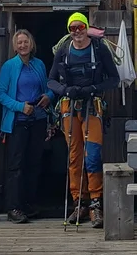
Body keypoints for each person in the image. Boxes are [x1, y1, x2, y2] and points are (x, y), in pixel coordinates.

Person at [47, 12, 119, 228]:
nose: (77, 31)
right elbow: (51, 81)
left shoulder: (99, 50)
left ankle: (96, 204)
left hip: (93, 105)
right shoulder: (63, 50)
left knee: (93, 155)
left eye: (80, 27)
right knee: (74, 155)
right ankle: (79, 201)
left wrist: (93, 89)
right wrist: (65, 90)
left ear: (86, 28)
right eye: (73, 28)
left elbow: (114, 79)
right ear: (69, 31)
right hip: (70, 106)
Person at [0, 29, 51, 223]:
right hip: (17, 122)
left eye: (25, 42)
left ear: (31, 44)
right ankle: (13, 207)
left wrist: (48, 97)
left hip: (37, 120)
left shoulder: (39, 65)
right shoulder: (9, 66)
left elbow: (47, 89)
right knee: (15, 166)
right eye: (19, 43)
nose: (23, 46)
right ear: (14, 46)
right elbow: (0, 94)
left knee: (33, 164)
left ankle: (28, 204)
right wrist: (20, 107)